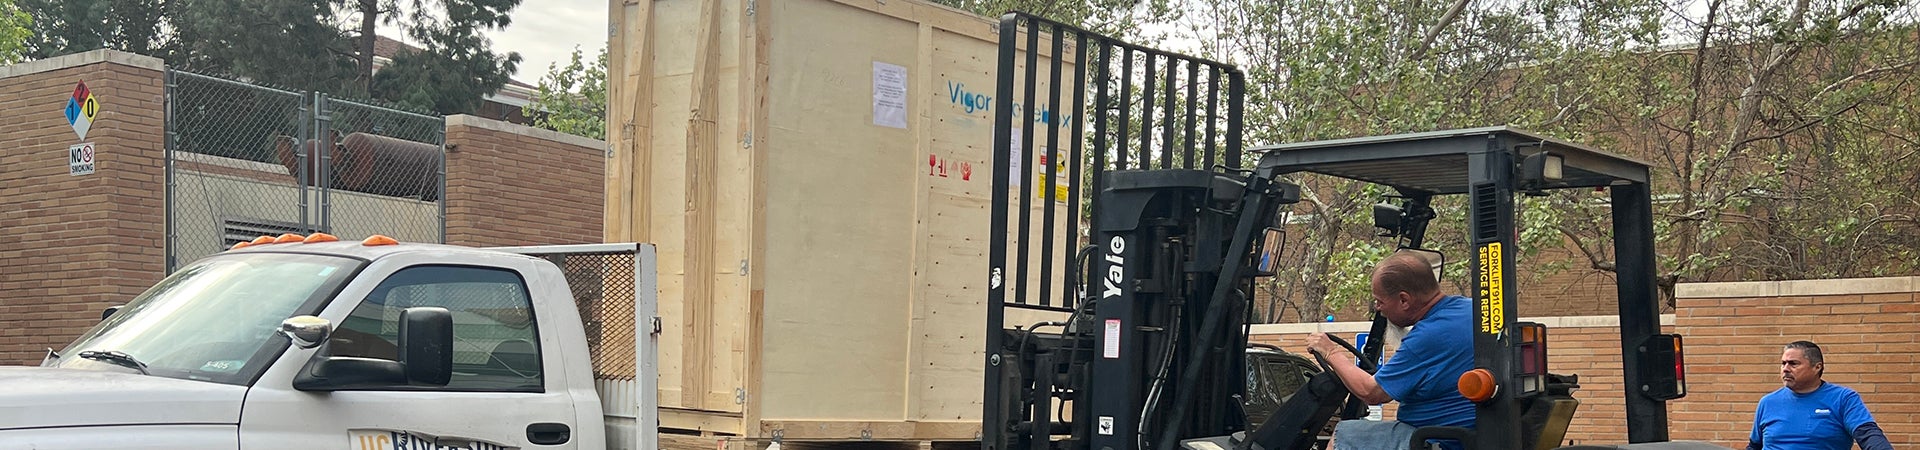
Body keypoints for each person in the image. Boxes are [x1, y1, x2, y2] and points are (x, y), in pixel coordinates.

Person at [1305, 251, 1474, 450]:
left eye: (1380, 301)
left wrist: (1329, 352)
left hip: (1441, 440)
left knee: (1346, 434)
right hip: (1471, 434)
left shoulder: (1427, 336)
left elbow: (1372, 393)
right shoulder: (1469, 309)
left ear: (1404, 300)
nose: (1377, 308)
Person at [1747, 341, 1892, 450]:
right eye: (1783, 363)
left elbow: (1868, 434)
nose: (1785, 369)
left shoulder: (1843, 398)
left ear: (1817, 367)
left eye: (1793, 364)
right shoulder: (1768, 402)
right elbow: (1754, 446)